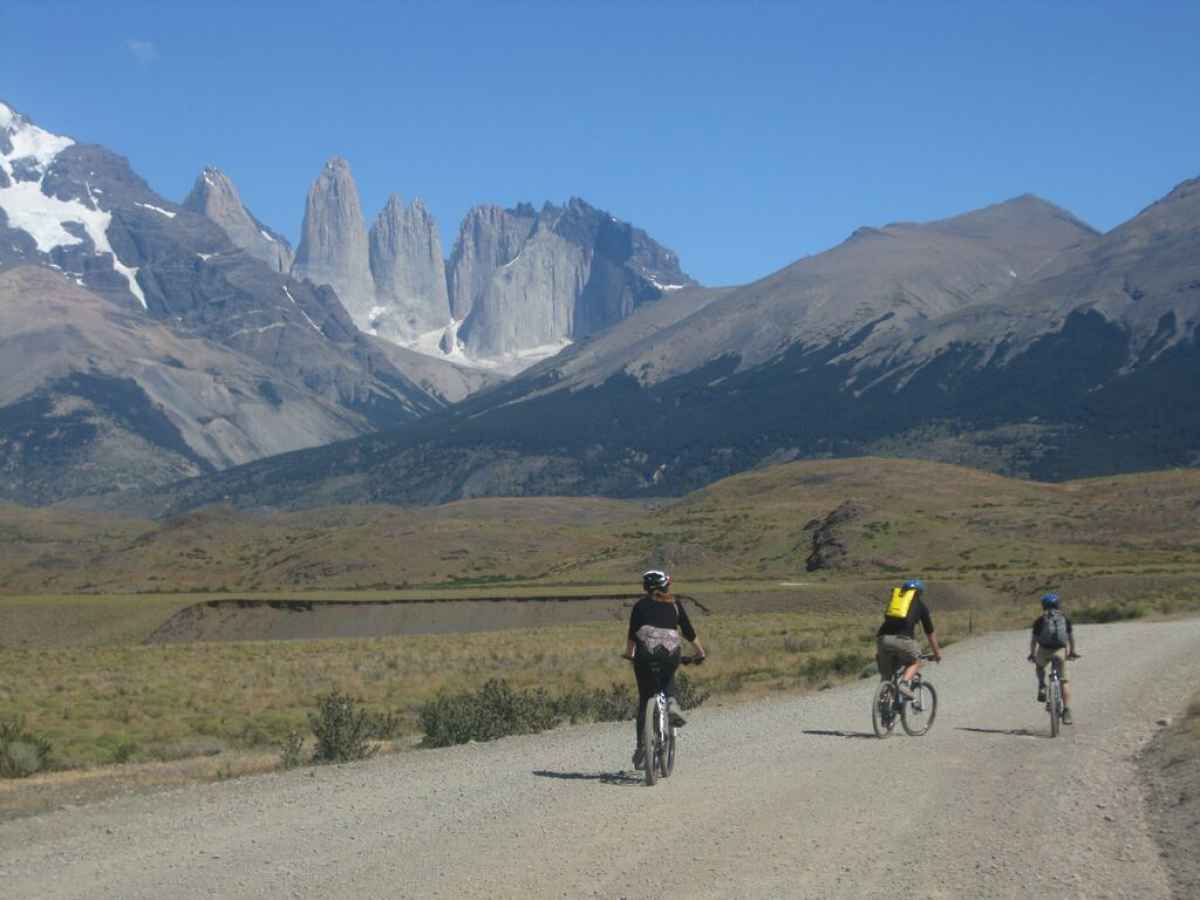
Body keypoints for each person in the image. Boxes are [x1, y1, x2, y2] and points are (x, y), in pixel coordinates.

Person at [623, 569, 705, 770]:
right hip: (670, 652)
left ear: (645, 587)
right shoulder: (675, 605)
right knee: (668, 676)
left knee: (645, 700)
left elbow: (632, 635)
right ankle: (672, 703)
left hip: (645, 654)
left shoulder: (639, 606)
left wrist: (629, 654)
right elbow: (688, 632)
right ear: (666, 586)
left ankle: (642, 747)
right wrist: (700, 653)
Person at [876, 578, 942, 697]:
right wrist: (937, 654)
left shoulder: (895, 602)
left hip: (882, 639)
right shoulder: (920, 606)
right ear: (919, 592)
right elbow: (930, 633)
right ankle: (904, 684)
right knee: (916, 660)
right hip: (902, 640)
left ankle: (883, 705)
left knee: (886, 676)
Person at [1028, 592, 1080, 724]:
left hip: (1044, 650)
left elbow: (1034, 640)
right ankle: (1067, 711)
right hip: (1060, 651)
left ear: (1043, 606)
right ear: (1058, 604)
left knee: (1039, 666)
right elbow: (1070, 638)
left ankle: (1042, 685)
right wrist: (1072, 652)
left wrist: (1032, 654)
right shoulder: (1064, 619)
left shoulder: (1040, 621)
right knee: (1064, 681)